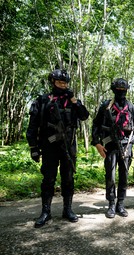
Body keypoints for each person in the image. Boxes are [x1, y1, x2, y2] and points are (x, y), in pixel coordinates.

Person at [26, 69, 89, 228]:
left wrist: (75, 101)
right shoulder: (43, 100)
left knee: (68, 178)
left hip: (69, 145)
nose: (64, 85)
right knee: (48, 179)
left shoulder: (72, 100)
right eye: (60, 82)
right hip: (49, 145)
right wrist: (33, 147)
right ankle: (45, 212)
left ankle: (67, 209)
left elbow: (84, 116)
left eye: (65, 83)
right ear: (53, 82)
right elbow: (33, 125)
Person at [91, 78, 134, 218]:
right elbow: (96, 124)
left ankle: (121, 203)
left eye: (123, 90)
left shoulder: (132, 107)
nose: (121, 93)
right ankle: (111, 203)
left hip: (126, 145)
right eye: (118, 90)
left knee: (124, 175)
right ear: (113, 90)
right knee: (111, 176)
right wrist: (97, 143)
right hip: (110, 145)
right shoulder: (106, 106)